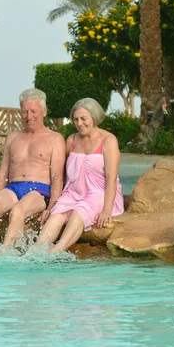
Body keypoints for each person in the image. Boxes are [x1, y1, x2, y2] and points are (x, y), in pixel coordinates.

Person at [37, 98, 124, 253]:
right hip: (74, 192)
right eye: (76, 119)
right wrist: (52, 204)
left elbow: (111, 179)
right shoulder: (71, 140)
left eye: (84, 119)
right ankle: (35, 251)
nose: (79, 123)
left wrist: (107, 210)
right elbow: (60, 174)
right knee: (57, 213)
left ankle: (56, 251)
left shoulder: (108, 141)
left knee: (79, 212)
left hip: (100, 193)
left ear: (94, 117)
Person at [0, 88, 66, 247]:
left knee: (19, 209)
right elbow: (3, 173)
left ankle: (6, 254)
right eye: (25, 112)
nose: (29, 117)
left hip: (39, 191)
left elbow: (57, 177)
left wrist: (52, 207)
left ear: (44, 111)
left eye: (34, 111)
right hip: (14, 188)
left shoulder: (55, 139)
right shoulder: (13, 137)